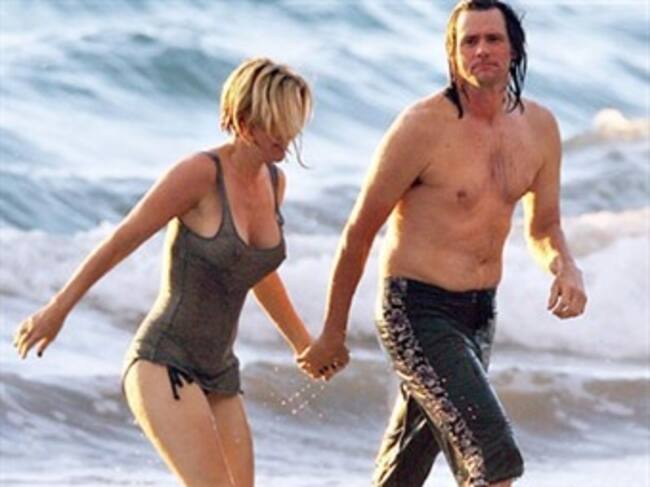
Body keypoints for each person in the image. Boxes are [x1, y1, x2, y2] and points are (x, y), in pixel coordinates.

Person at [298, 1, 587, 486]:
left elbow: (544, 227)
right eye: (469, 41)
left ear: (514, 50)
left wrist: (565, 266)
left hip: (479, 314)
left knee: (406, 469)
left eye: (492, 39)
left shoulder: (540, 128)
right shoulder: (421, 127)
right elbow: (359, 232)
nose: (481, 50)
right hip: (415, 310)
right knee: (494, 459)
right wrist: (332, 331)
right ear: (453, 54)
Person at [13, 57, 322, 487]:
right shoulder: (199, 174)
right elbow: (123, 239)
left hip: (221, 370)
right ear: (248, 119)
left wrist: (302, 343)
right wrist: (57, 309)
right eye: (280, 123)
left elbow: (255, 270)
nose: (289, 135)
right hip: (163, 362)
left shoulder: (274, 182)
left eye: (295, 122)